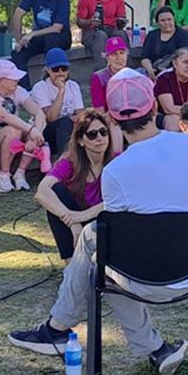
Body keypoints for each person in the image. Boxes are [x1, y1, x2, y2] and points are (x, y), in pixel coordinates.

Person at [9, 68, 188, 375]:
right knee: (107, 255)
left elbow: (116, 237)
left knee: (102, 249)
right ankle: (155, 350)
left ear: (114, 121)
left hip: (147, 278)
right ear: (154, 108)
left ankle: (57, 328)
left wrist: (77, 222)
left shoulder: (116, 171)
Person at [35, 109, 115, 263]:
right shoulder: (70, 162)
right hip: (77, 218)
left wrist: (81, 216)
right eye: (92, 134)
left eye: (103, 132)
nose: (100, 138)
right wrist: (72, 221)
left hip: (106, 220)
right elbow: (42, 192)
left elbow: (124, 199)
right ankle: (71, 262)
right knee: (56, 192)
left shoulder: (117, 162)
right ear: (81, 141)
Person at [0, 59, 47, 193]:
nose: (17, 80)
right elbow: (3, 116)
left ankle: (20, 172)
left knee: (28, 130)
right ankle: (4, 174)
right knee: (14, 130)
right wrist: (30, 129)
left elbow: (39, 113)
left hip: (15, 131)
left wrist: (36, 133)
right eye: (12, 78)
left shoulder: (19, 91)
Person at [11, 0, 72, 88]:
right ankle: (25, 90)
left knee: (51, 39)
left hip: (60, 37)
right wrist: (18, 40)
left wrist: (32, 34)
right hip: (40, 36)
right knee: (17, 53)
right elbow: (17, 14)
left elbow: (57, 28)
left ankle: (51, 84)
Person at [30, 47, 84, 156]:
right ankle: (64, 158)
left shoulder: (73, 86)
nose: (60, 72)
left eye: (64, 68)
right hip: (46, 132)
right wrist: (61, 91)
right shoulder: (40, 88)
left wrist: (74, 119)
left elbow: (80, 114)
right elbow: (51, 118)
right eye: (55, 69)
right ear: (48, 70)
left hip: (70, 129)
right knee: (64, 123)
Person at [76, 0, 127, 64]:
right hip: (92, 31)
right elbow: (79, 22)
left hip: (111, 30)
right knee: (101, 35)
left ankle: (127, 69)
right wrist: (90, 21)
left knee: (121, 34)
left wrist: (121, 21)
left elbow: (122, 17)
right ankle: (102, 70)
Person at [139, 7, 188, 79]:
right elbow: (144, 57)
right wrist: (150, 69)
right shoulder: (152, 35)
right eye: (162, 20)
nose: (166, 22)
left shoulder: (183, 35)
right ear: (157, 22)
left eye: (169, 19)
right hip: (154, 71)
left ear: (174, 20)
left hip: (177, 73)